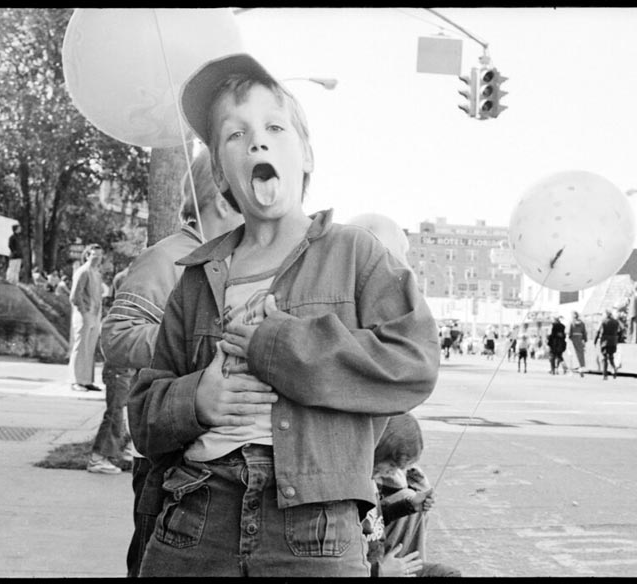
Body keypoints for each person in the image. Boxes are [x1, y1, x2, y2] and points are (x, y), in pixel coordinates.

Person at [127, 52, 439, 577]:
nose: (257, 141)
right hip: (196, 517)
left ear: (307, 155)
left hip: (314, 529)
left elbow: (413, 364)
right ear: (222, 174)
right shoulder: (198, 276)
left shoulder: (357, 255)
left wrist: (279, 345)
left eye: (274, 126)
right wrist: (196, 399)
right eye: (234, 134)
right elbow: (143, 419)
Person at [101, 147, 244, 577]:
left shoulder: (228, 260)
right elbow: (117, 334)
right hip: (165, 461)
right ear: (222, 200)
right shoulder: (170, 256)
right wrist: (193, 341)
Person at [365, 413, 460, 578]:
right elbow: (341, 565)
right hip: (372, 570)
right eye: (392, 465)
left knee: (449, 574)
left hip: (383, 564)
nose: (393, 472)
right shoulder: (351, 490)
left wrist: (410, 506)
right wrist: (378, 572)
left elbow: (376, 521)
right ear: (378, 450)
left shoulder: (371, 482)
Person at [87, 267, 135, 475]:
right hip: (119, 367)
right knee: (115, 411)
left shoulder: (122, 313)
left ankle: (120, 448)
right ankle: (99, 457)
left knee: (122, 409)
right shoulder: (120, 316)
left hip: (123, 366)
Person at [69, 244, 104, 392]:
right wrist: (84, 313)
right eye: (94, 255)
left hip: (95, 315)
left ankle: (87, 380)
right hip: (84, 314)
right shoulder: (82, 271)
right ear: (88, 255)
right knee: (80, 347)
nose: (97, 258)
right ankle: (76, 380)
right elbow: (75, 296)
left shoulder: (96, 273)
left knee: (89, 349)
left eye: (99, 255)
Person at [594, 309, 622, 380]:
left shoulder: (603, 321)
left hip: (605, 341)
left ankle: (605, 374)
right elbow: (621, 330)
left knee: (604, 358)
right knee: (611, 356)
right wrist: (618, 339)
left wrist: (595, 340)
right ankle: (614, 368)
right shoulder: (616, 322)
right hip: (613, 341)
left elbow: (598, 331)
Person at [568, 311, 587, 377]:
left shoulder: (571, 323)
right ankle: (581, 369)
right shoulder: (582, 323)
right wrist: (585, 340)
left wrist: (569, 339)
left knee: (572, 355)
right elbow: (584, 332)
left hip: (573, 339)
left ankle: (571, 371)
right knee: (580, 355)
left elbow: (569, 332)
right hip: (580, 339)